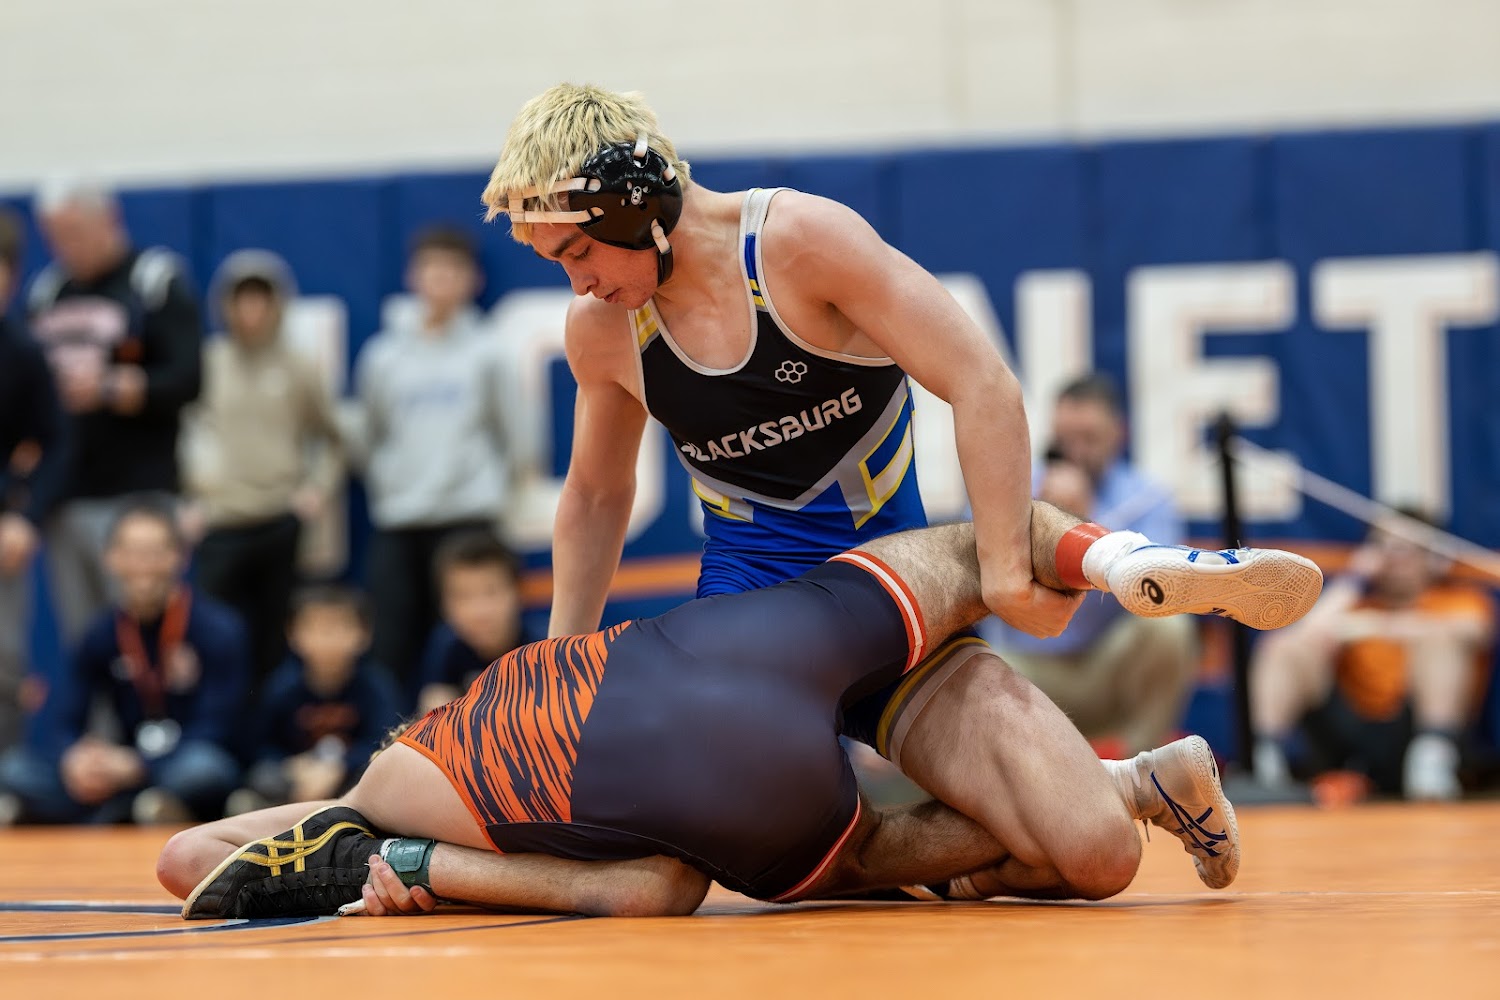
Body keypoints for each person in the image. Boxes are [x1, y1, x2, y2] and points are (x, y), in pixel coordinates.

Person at [159, 508, 1323, 919]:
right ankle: (1116, 558)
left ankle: (1132, 783)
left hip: (721, 780)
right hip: (743, 632)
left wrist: (423, 868)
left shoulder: (395, 797)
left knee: (879, 851)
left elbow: (653, 888)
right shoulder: (491, 693)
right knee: (978, 548)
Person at [982, 375, 1197, 755]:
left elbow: (1161, 589)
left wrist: (1084, 521)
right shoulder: (1012, 488)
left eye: (1089, 439)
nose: (1077, 452)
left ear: (1118, 434)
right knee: (978, 665)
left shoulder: (1148, 498)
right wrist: (1041, 523)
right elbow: (980, 571)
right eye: (1066, 439)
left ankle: (1137, 762)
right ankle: (1017, 776)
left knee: (1170, 630)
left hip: (1105, 665)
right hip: (1032, 669)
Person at [27, 178, 203, 643]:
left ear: (108, 220)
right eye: (54, 236)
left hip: (139, 492)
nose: (65, 246)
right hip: (68, 495)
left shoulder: (153, 281)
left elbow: (190, 378)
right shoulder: (49, 291)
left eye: (74, 232)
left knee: (145, 635)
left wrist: (117, 388)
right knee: (85, 640)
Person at [0, 495, 246, 825]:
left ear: (180, 557)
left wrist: (138, 765)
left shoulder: (218, 629)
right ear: (111, 559)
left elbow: (217, 728)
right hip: (120, 766)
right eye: (131, 553)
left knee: (204, 770)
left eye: (154, 553)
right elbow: (65, 718)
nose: (142, 565)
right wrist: (76, 758)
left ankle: (133, 807)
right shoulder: (101, 633)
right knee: (16, 769)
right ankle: (141, 807)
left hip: (178, 761)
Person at [345, 226, 514, 687]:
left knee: (472, 645)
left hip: (467, 517)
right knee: (391, 645)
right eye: (431, 268)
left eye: (453, 269)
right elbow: (368, 435)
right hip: (399, 521)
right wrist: (392, 483)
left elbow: (517, 437)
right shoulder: (383, 355)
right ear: (412, 276)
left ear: (473, 280)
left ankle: (488, 729)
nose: (441, 279)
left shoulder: (490, 351)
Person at [1251, 510, 1495, 800]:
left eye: (1404, 548)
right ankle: (1265, 759)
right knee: (1285, 646)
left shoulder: (1459, 601)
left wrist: (1372, 627)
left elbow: (1475, 631)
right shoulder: (1354, 604)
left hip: (1414, 728)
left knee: (1441, 642)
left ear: (1433, 557)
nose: (1392, 558)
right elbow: (1304, 635)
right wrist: (1355, 579)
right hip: (1351, 728)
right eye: (1382, 546)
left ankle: (1433, 759)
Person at [181, 250, 343, 687]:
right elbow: (185, 434)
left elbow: (334, 438)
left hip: (279, 518)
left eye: (261, 299)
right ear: (225, 306)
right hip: (220, 522)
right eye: (242, 300)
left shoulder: (298, 366)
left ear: (277, 305)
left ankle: (272, 725)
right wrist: (190, 498)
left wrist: (316, 490)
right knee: (217, 640)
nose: (251, 311)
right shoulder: (208, 362)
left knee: (277, 641)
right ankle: (224, 726)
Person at [228, 585, 400, 816]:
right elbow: (259, 745)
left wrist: (341, 765)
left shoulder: (377, 687)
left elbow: (386, 742)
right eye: (316, 628)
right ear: (292, 634)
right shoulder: (281, 688)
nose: (327, 639)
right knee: (264, 776)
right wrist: (293, 765)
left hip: (351, 778)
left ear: (364, 634)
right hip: (296, 777)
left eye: (339, 628)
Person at [0, 206, 65, 757]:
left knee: (5, 659)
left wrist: (25, 516)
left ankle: (5, 774)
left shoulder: (22, 351)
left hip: (3, 532)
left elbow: (56, 439)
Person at [414, 530, 525, 713]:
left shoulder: (543, 645)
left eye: (491, 592)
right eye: (463, 596)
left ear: (517, 592)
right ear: (443, 605)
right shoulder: (444, 648)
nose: (479, 611)